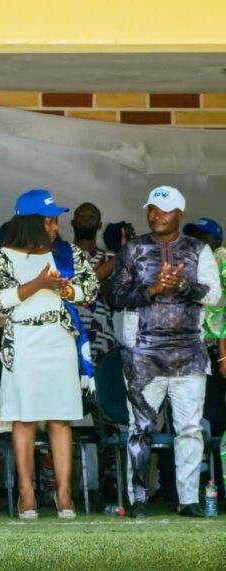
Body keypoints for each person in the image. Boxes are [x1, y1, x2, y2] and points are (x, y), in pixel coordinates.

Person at [0, 189, 99, 519]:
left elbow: (90, 290)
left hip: (59, 339)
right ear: (29, 222)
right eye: (49, 221)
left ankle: (64, 494)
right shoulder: (1, 257)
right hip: (23, 340)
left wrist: (67, 288)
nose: (55, 227)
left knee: (60, 417)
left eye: (55, 221)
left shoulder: (66, 253)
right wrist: (38, 284)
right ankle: (26, 494)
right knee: (25, 417)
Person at [110, 186, 221, 518]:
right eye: (153, 210)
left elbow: (214, 296)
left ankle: (188, 500)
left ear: (179, 214)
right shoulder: (133, 250)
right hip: (143, 354)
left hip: (188, 354)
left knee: (189, 429)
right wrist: (154, 289)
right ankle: (138, 500)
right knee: (140, 428)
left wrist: (182, 286)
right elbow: (117, 297)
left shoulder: (198, 249)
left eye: (165, 210)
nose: (157, 215)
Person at [71, 203, 119, 362]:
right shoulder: (59, 255)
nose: (85, 219)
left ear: (99, 225)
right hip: (66, 337)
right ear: (72, 222)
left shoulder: (110, 259)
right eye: (80, 215)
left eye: (91, 217)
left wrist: (104, 278)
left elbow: (115, 302)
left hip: (100, 339)